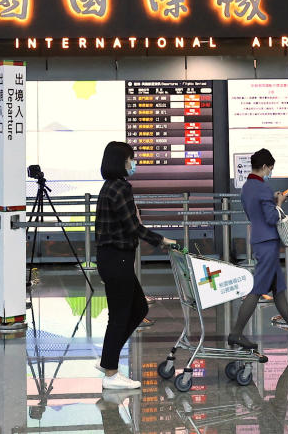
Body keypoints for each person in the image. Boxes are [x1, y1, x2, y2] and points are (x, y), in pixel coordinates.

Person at [94, 141, 177, 390]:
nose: (133, 163)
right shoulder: (120, 188)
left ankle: (108, 357)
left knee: (139, 308)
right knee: (120, 316)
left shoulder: (110, 187)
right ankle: (111, 373)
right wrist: (161, 240)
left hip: (113, 258)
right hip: (117, 258)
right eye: (131, 159)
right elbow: (133, 227)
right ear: (120, 161)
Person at [228, 148, 288, 350]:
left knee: (279, 290)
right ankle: (236, 333)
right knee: (257, 289)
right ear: (265, 166)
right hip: (268, 242)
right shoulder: (263, 188)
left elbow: (254, 214)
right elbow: (270, 217)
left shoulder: (247, 187)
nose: (270, 173)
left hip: (259, 240)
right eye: (270, 169)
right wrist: (279, 203)